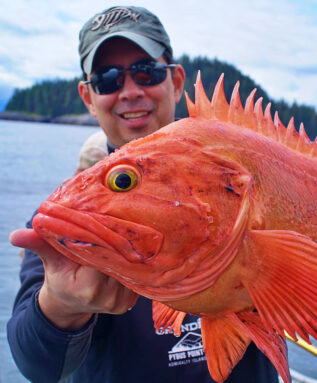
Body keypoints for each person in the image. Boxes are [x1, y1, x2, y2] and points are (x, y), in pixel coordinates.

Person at [7, 6, 279, 382]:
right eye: (108, 80)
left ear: (177, 81)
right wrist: (60, 305)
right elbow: (38, 366)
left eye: (146, 72)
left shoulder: (250, 178)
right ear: (88, 97)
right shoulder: (68, 219)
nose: (130, 92)